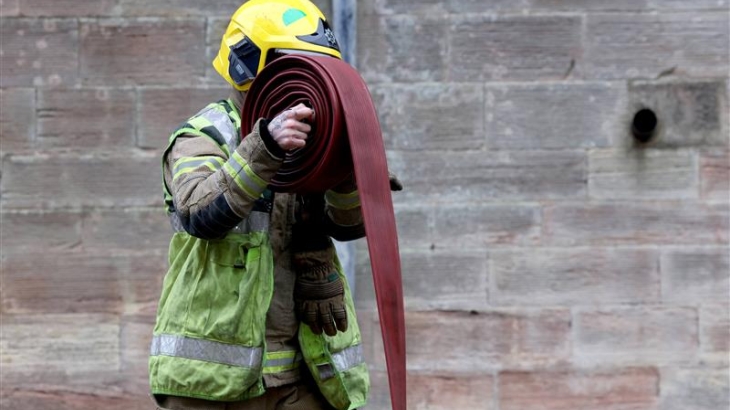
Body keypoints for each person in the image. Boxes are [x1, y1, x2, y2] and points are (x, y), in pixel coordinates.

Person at [147, 1, 401, 409]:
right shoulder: (206, 134)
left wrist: (349, 170)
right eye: (292, 66)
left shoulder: (314, 140)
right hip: (211, 381)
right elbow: (200, 215)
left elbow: (350, 224)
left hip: (303, 371)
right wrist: (264, 146)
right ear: (246, 65)